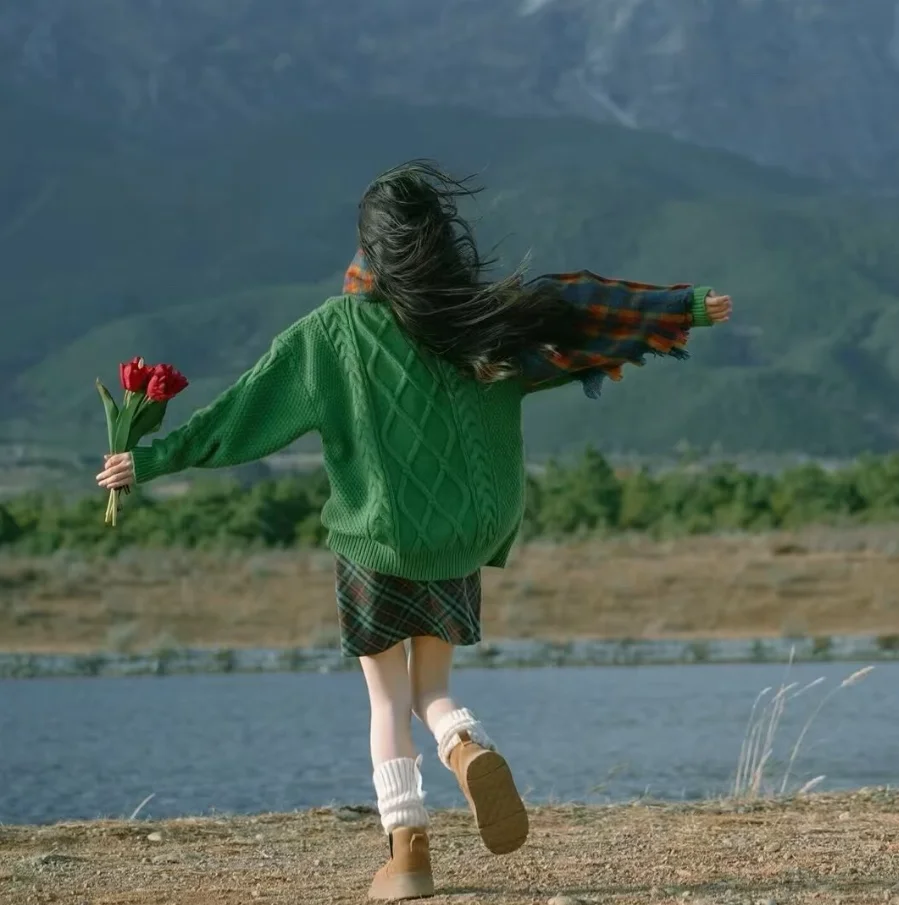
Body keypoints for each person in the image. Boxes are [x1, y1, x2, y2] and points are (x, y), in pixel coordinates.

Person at [97, 160, 732, 901]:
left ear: (368, 247)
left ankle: (407, 855)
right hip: (460, 535)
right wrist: (680, 307)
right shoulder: (482, 323)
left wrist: (146, 459)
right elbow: (578, 307)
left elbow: (241, 417)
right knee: (432, 687)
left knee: (385, 702)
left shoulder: (331, 333)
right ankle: (464, 744)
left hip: (379, 541)